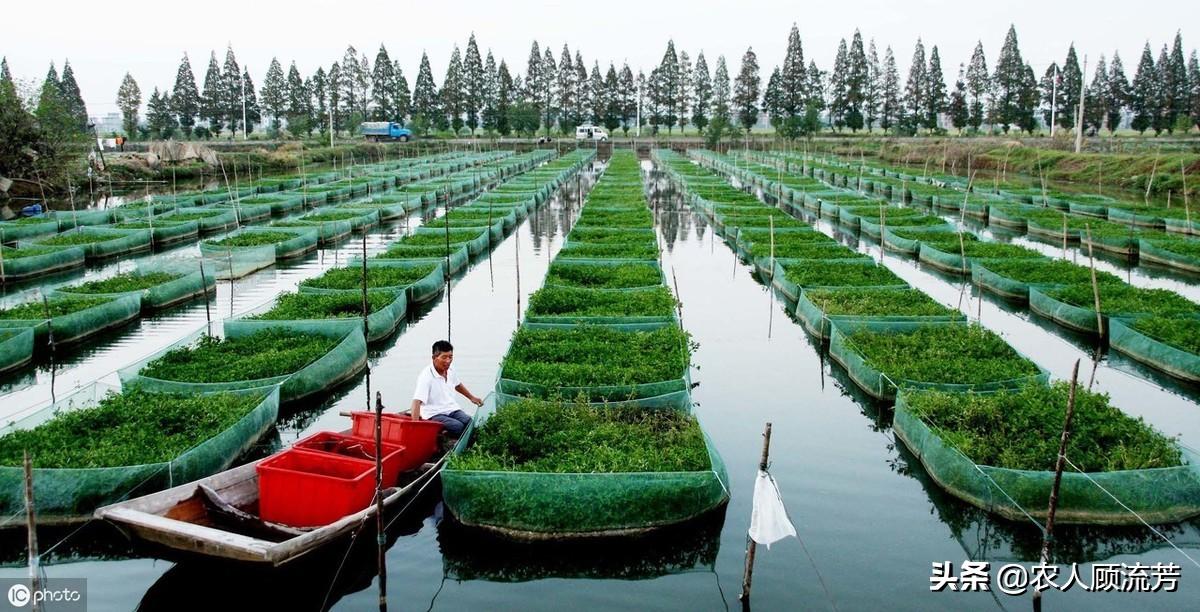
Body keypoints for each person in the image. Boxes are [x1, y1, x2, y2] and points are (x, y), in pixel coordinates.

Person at [410, 340, 482, 436]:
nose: (448, 361)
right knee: (458, 426)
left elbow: (457, 385)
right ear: (434, 358)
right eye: (444, 357)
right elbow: (416, 401)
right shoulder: (426, 376)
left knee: (468, 421)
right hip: (434, 413)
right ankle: (443, 435)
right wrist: (415, 426)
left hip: (451, 408)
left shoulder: (451, 369)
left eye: (450, 357)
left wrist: (472, 398)